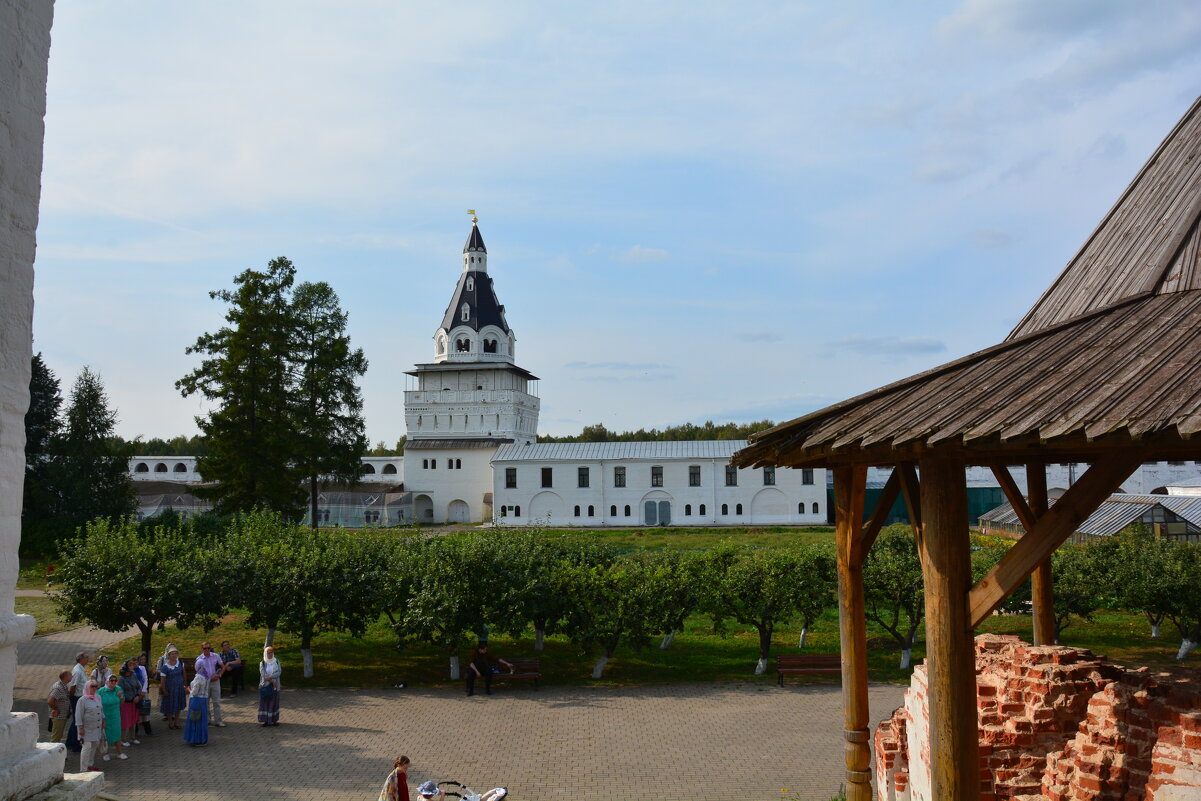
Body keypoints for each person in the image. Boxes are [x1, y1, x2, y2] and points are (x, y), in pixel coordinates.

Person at [75, 680, 104, 772]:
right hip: (86, 728)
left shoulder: (98, 697)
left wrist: (104, 720)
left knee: (95, 744)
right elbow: (78, 715)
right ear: (87, 687)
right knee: (86, 747)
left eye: (96, 686)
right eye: (92, 686)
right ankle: (83, 769)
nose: (94, 688)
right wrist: (80, 728)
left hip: (96, 727)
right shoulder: (82, 700)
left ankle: (89, 764)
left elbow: (101, 710)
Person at [194, 641, 225, 727]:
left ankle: (218, 721)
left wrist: (219, 675)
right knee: (205, 702)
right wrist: (207, 678)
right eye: (205, 648)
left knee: (216, 702)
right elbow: (198, 672)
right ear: (202, 649)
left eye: (208, 648)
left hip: (215, 681)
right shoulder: (199, 659)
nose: (207, 650)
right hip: (205, 682)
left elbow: (223, 666)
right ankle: (207, 720)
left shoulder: (215, 656)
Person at [65, 652, 90, 753]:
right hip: (77, 698)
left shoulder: (81, 670)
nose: (88, 659)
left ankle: (70, 742)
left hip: (80, 697)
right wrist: (72, 699)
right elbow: (73, 687)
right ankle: (75, 745)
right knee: (77, 721)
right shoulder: (78, 671)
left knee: (76, 721)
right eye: (86, 657)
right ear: (81, 659)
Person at [96, 674, 125, 761]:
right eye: (111, 680)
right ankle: (105, 753)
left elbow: (122, 702)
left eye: (115, 681)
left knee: (117, 733)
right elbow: (97, 703)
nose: (113, 682)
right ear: (107, 681)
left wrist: (121, 696)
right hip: (105, 715)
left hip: (115, 715)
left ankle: (119, 753)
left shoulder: (118, 689)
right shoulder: (101, 691)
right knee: (105, 734)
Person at [158, 645, 187, 729]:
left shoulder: (180, 663)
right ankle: (170, 722)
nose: (174, 656)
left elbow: (183, 674)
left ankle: (177, 722)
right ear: (169, 655)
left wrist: (185, 685)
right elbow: (162, 680)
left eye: (175, 654)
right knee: (170, 706)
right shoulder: (165, 667)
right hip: (170, 689)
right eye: (172, 654)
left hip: (179, 688)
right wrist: (164, 690)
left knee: (178, 705)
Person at [117, 659, 142, 746]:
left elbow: (139, 686)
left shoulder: (134, 675)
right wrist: (129, 698)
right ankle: (123, 739)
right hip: (126, 703)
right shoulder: (121, 679)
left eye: (133, 665)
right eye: (130, 665)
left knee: (133, 721)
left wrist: (137, 695)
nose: (132, 667)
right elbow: (120, 691)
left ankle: (133, 737)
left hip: (134, 703)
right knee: (125, 721)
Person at [182, 672, 209, 746]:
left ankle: (197, 739)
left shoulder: (199, 678)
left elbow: (194, 692)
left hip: (196, 700)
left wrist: (188, 690)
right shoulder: (206, 676)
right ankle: (202, 738)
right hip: (203, 700)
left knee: (195, 718)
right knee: (201, 719)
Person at [257, 646, 281, 726]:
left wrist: (271, 678)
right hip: (266, 686)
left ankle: (274, 720)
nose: (270, 654)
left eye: (271, 652)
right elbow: (264, 674)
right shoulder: (262, 663)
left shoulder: (276, 661)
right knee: (265, 702)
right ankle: (265, 720)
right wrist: (272, 681)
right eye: (268, 653)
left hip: (275, 686)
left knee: (274, 702)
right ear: (265, 653)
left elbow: (279, 672)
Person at [46, 670, 72, 743]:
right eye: (70, 675)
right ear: (66, 677)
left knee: (58, 736)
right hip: (58, 716)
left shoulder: (63, 686)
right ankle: (52, 752)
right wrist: (56, 709)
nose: (72, 676)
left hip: (62, 716)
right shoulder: (58, 688)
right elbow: (50, 701)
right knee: (56, 737)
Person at [134, 652, 153, 736]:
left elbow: (145, 679)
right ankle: (135, 731)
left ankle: (148, 730)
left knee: (145, 711)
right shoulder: (130, 670)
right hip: (134, 693)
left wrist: (143, 691)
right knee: (136, 712)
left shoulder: (142, 668)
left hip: (142, 692)